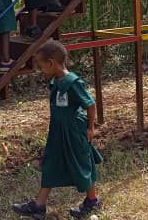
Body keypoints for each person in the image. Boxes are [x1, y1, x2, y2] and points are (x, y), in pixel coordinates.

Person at [12, 40, 102, 219]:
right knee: (51, 162)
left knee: (82, 164)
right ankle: (39, 205)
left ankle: (92, 201)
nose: (40, 70)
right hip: (57, 131)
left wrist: (90, 127)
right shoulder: (56, 81)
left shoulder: (72, 82)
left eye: (41, 66)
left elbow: (90, 105)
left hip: (74, 131)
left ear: (51, 63)